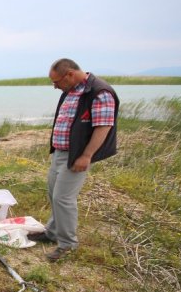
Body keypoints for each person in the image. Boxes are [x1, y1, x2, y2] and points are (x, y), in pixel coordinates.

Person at [28, 58, 119, 262]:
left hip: (77, 154)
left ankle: (67, 244)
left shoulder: (99, 92)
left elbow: (103, 126)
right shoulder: (70, 90)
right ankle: (52, 232)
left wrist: (86, 155)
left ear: (69, 74)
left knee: (64, 198)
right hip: (60, 152)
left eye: (56, 82)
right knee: (53, 193)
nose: (55, 86)